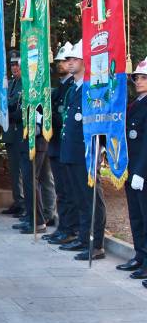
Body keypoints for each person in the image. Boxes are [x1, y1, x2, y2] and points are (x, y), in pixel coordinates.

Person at [58, 41, 107, 260]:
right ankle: (82, 236)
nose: (69, 63)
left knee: (91, 198)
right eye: (67, 60)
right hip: (71, 150)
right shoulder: (73, 88)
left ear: (85, 62)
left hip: (85, 151)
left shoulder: (92, 88)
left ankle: (95, 243)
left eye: (74, 59)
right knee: (78, 197)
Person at [11, 48, 52, 235]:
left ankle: (38, 220)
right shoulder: (27, 88)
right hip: (25, 139)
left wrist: (9, 116)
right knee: (29, 180)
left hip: (36, 140)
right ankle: (31, 217)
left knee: (31, 180)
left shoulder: (40, 90)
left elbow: (33, 113)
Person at [44, 42, 78, 245]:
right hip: (56, 143)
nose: (61, 64)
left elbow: (63, 116)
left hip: (65, 143)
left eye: (66, 60)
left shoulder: (71, 87)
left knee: (67, 191)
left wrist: (49, 120)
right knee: (62, 191)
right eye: (59, 61)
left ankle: (69, 228)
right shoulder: (61, 87)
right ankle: (63, 227)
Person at [117, 57, 147, 282]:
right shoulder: (135, 103)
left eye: (143, 78)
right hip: (132, 168)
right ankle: (140, 255)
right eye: (137, 77)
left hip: (143, 172)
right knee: (136, 217)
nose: (138, 81)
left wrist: (141, 171)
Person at [1, 51, 25, 216]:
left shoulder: (25, 84)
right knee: (14, 169)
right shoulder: (10, 84)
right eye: (12, 64)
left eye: (17, 64)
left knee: (23, 170)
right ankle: (18, 200)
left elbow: (14, 104)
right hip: (10, 131)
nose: (14, 67)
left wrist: (5, 108)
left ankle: (24, 203)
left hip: (20, 130)